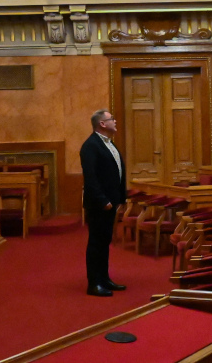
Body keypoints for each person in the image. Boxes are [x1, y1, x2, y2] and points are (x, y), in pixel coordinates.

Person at [79, 109, 127, 297]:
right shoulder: (91, 146)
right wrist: (103, 201)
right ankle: (94, 283)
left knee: (105, 242)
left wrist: (120, 199)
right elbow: (91, 179)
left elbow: (116, 173)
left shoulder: (108, 144)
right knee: (96, 243)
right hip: (99, 204)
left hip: (111, 202)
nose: (115, 121)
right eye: (111, 119)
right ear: (102, 124)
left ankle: (104, 278)